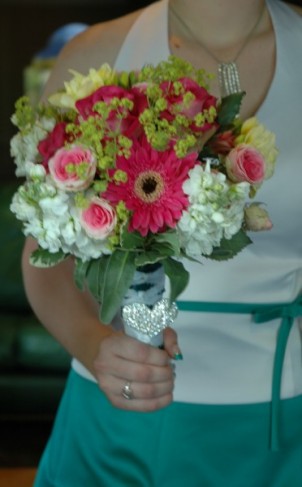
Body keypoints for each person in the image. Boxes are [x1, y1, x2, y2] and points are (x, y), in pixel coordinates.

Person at [21, 1, 302, 485]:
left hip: (281, 424)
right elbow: (45, 256)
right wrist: (96, 347)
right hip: (117, 417)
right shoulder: (96, 53)